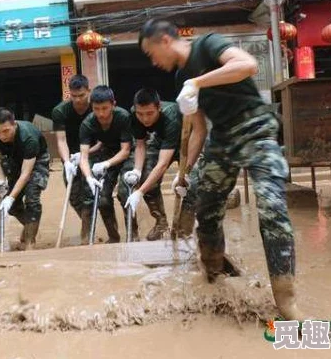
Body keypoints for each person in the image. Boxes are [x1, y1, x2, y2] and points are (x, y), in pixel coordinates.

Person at [139, 19, 303, 321]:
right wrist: (185, 171)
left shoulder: (208, 44)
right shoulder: (181, 79)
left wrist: (199, 82)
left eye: (151, 53)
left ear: (164, 40)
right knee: (206, 205)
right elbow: (199, 129)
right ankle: (213, 275)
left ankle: (286, 300)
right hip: (222, 138)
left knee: (271, 207)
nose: (153, 61)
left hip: (255, 127)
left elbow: (247, 65)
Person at [119, 88, 186, 241]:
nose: (145, 119)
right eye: (140, 114)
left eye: (150, 113)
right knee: (146, 177)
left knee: (191, 185)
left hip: (187, 142)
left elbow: (162, 164)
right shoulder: (135, 114)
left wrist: (140, 192)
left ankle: (183, 230)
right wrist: (137, 170)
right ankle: (161, 222)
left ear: (159, 108)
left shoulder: (171, 117)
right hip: (161, 140)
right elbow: (141, 144)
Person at [0, 108, 50, 250]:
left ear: (14, 124)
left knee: (32, 197)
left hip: (36, 161)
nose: (2, 136)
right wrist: (0, 179)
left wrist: (10, 197)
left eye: (6, 131)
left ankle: (30, 241)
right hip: (14, 160)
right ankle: (30, 226)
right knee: (13, 207)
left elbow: (26, 174)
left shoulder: (28, 137)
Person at [79, 85, 132, 243]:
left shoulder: (123, 116)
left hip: (127, 153)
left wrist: (107, 164)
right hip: (107, 152)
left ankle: (133, 232)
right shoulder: (87, 124)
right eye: (96, 108)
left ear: (113, 104)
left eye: (105, 108)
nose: (101, 113)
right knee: (101, 197)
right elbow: (83, 157)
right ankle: (114, 237)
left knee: (125, 192)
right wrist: (89, 177)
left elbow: (126, 150)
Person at [51, 75, 98, 244]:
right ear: (69, 94)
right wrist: (67, 162)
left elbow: (102, 140)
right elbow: (61, 140)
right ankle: (89, 220)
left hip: (93, 153)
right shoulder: (60, 111)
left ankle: (86, 235)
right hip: (70, 156)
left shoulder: (97, 108)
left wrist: (85, 154)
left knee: (87, 195)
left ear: (88, 91)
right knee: (74, 197)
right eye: (74, 96)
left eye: (82, 95)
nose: (78, 100)